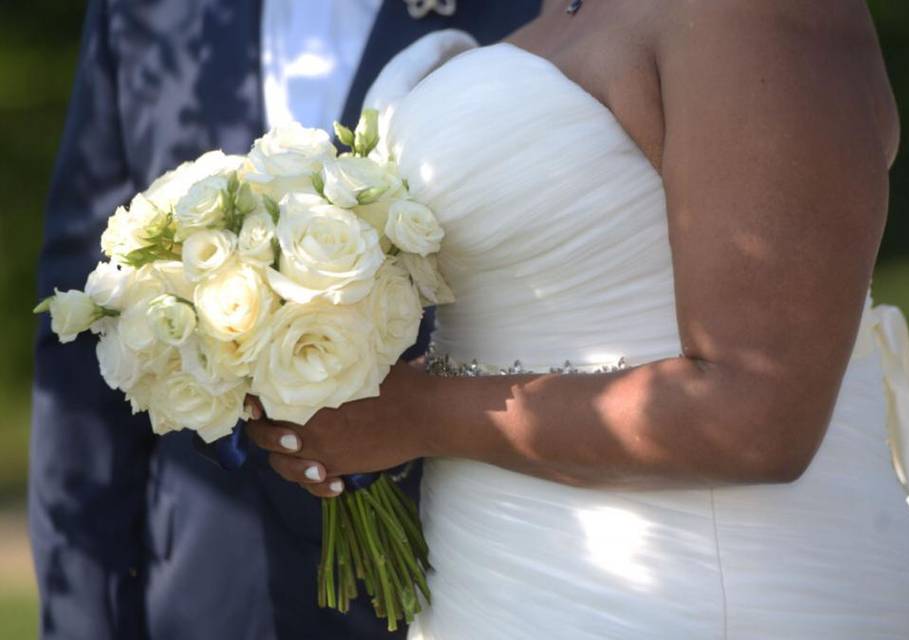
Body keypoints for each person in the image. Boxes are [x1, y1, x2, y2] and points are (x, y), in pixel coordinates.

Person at [250, 0, 909, 637]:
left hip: (708, 595)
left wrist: (417, 416)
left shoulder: (757, 15)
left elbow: (759, 413)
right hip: (502, 578)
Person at [29, 1, 540, 638]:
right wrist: (82, 613)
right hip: (205, 577)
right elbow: (84, 320)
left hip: (452, 564)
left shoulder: (537, 14)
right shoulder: (145, 15)